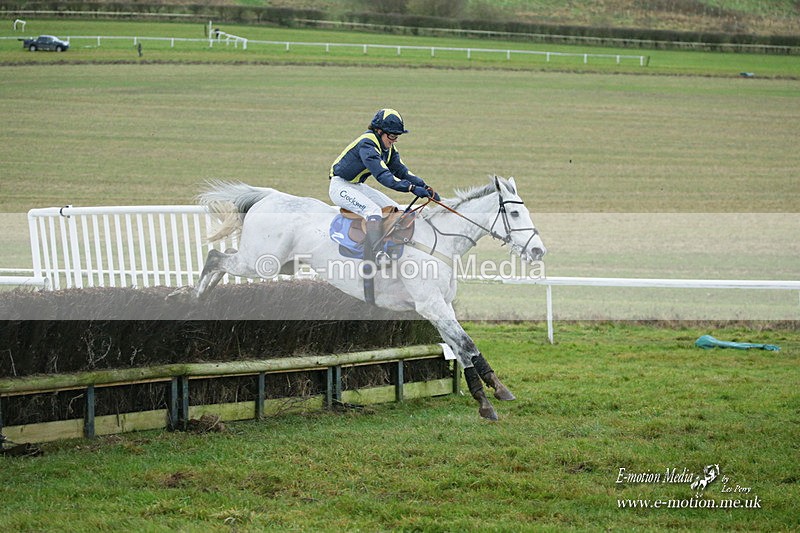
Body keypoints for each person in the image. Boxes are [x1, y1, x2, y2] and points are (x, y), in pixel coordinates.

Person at [329, 108, 439, 267]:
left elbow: (402, 171)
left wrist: (424, 186)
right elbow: (384, 176)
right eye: (392, 136)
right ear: (379, 131)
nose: (394, 140)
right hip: (340, 186)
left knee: (394, 209)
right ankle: (376, 253)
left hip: (356, 185)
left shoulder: (388, 148)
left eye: (397, 136)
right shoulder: (367, 144)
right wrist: (411, 188)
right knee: (373, 211)